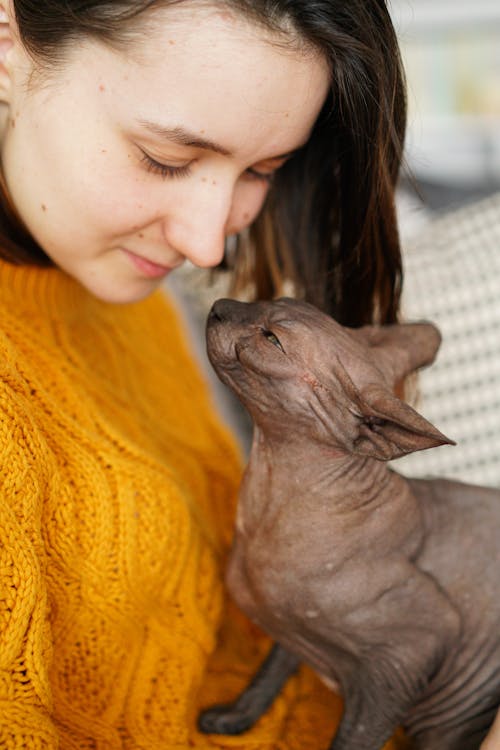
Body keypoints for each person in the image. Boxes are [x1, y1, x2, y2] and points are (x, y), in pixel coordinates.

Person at [0, 0, 443, 747]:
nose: (207, 246)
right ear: (7, 38)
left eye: (263, 169)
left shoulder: (114, 282)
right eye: (164, 159)